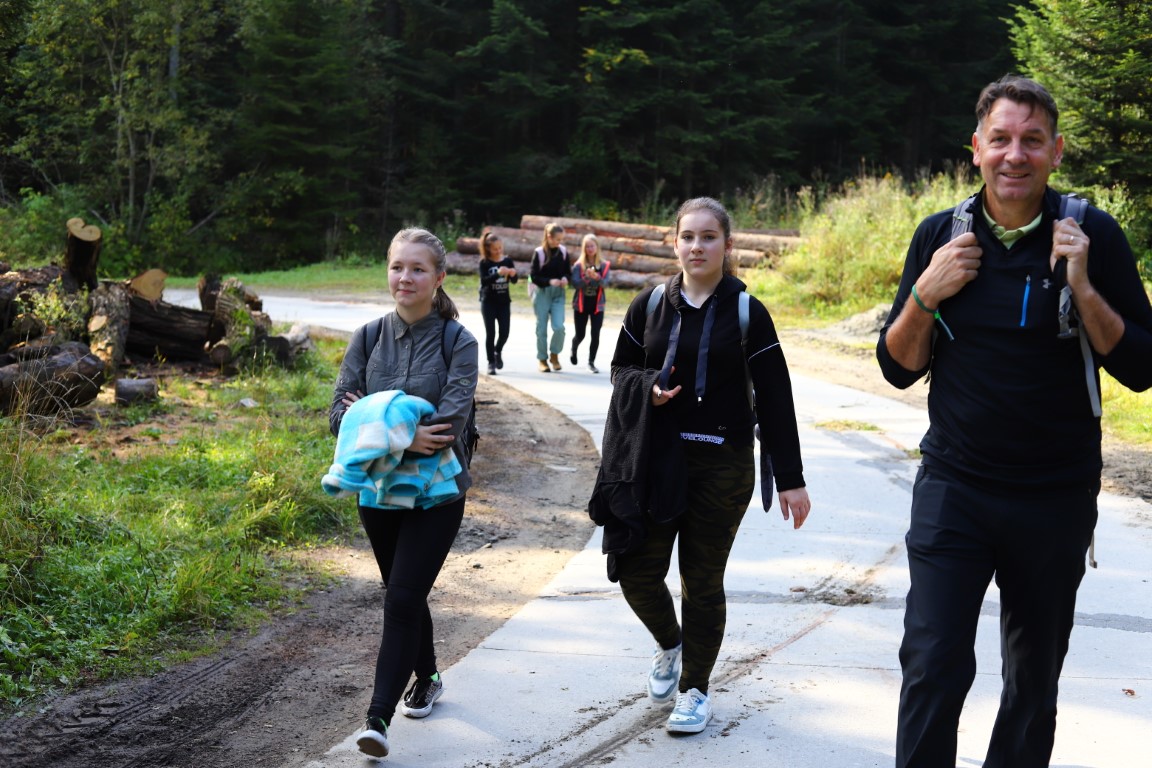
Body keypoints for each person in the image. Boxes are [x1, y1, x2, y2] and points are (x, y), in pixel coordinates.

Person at [877, 75, 1152, 768]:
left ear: (1055, 151)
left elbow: (1141, 367)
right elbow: (897, 368)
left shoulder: (1091, 234)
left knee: (1032, 680)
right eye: (1000, 139)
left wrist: (1082, 286)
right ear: (976, 147)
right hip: (955, 489)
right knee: (932, 661)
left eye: (1032, 140)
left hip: (1054, 496)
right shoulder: (941, 236)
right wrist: (925, 294)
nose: (1015, 155)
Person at [592, 196, 811, 735]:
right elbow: (620, 369)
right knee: (636, 571)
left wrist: (791, 478)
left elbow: (776, 397)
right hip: (657, 462)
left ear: (727, 245)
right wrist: (648, 388)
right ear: (675, 244)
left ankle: (695, 690)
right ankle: (671, 644)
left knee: (702, 581)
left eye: (708, 237)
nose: (697, 246)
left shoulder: (748, 312)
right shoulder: (648, 305)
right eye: (688, 236)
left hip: (723, 466)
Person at [329, 228, 479, 759]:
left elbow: (447, 426)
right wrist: (402, 434)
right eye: (397, 267)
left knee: (400, 598)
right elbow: (337, 417)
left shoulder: (458, 342)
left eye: (418, 269)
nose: (405, 278)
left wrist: (372, 419)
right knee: (403, 591)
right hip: (378, 492)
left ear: (439, 278)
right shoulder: (368, 337)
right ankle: (429, 674)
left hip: (438, 493)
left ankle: (377, 719)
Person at [529, 222, 570, 372]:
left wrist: (565, 278)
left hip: (559, 293)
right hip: (542, 293)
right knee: (541, 328)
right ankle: (542, 359)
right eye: (557, 239)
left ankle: (554, 355)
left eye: (561, 239)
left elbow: (568, 272)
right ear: (549, 237)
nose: (559, 242)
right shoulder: (539, 253)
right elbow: (533, 276)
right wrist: (549, 281)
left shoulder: (563, 252)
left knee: (559, 327)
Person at [477, 231, 518, 375]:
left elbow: (514, 281)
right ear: (488, 249)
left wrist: (513, 274)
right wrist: (498, 274)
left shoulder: (507, 261)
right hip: (488, 302)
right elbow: (484, 281)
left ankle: (497, 350)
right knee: (491, 333)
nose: (498, 251)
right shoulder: (484, 263)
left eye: (500, 248)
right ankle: (491, 363)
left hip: (504, 302)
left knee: (504, 333)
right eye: (495, 249)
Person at [570, 233, 610, 374]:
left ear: (597, 247)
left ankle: (591, 362)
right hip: (581, 305)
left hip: (597, 305)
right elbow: (575, 284)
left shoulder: (604, 265)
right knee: (580, 334)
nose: (590, 249)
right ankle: (574, 347)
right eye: (587, 246)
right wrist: (586, 277)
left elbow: (606, 284)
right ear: (584, 248)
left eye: (592, 246)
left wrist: (597, 277)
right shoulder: (578, 265)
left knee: (595, 333)